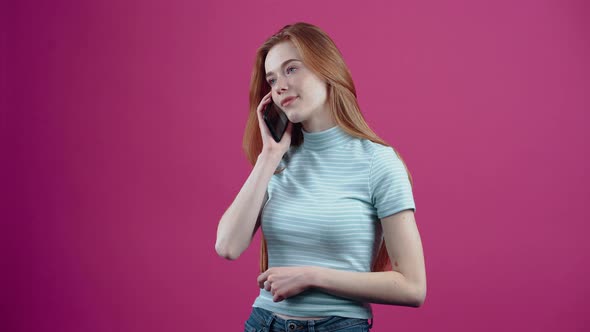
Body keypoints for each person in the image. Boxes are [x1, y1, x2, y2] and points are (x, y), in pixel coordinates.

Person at [215, 22, 426, 332]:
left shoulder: (378, 162)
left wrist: (311, 276)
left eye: (291, 70)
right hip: (264, 323)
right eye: (272, 80)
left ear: (326, 69)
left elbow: (412, 287)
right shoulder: (277, 161)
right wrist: (269, 156)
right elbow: (227, 246)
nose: (279, 86)